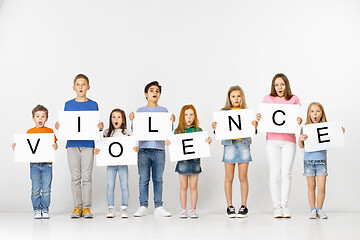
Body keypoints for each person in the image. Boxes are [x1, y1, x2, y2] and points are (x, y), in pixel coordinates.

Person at [55, 74, 104, 218]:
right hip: (72, 144)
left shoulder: (93, 104)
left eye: (83, 84)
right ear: (73, 87)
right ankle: (77, 207)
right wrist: (60, 126)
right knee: (75, 176)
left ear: (88, 87)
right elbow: (67, 124)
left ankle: (87, 208)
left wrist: (100, 127)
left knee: (87, 176)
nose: (81, 86)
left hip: (88, 144)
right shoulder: (68, 104)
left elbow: (95, 125)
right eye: (78, 84)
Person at [256, 73, 302, 218]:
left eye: (282, 84)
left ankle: (285, 206)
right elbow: (263, 120)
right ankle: (276, 207)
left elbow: (296, 120)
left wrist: (299, 120)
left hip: (289, 141)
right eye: (276, 85)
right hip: (272, 141)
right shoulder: (267, 99)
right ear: (273, 86)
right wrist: (259, 119)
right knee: (275, 174)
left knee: (286, 174)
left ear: (286, 85)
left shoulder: (294, 99)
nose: (279, 87)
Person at [129, 81, 175, 217]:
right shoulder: (140, 111)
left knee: (158, 179)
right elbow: (135, 130)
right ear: (146, 94)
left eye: (157, 91)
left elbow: (168, 131)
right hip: (143, 149)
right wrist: (132, 120)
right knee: (143, 179)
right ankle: (143, 205)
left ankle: (158, 206)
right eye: (151, 90)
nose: (154, 93)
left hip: (159, 149)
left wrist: (172, 122)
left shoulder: (164, 111)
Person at [212, 85, 258, 218]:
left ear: (242, 97)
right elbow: (219, 131)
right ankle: (229, 206)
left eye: (238, 96)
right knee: (229, 177)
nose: (236, 99)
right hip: (230, 145)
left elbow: (252, 131)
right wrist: (215, 128)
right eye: (233, 96)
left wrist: (255, 126)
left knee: (243, 176)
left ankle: (244, 205)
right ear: (229, 98)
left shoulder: (246, 112)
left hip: (243, 144)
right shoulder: (223, 113)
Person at [298, 102, 345, 219]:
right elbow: (301, 145)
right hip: (308, 161)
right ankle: (312, 209)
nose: (315, 113)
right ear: (309, 114)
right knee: (311, 187)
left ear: (322, 113)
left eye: (318, 111)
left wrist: (339, 132)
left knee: (322, 187)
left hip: (321, 161)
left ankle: (319, 209)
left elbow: (334, 137)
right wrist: (301, 138)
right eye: (312, 111)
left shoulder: (325, 127)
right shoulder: (305, 128)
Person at [12, 104, 58, 219]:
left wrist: (55, 146)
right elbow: (26, 147)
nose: (40, 119)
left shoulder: (50, 131)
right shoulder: (30, 132)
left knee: (46, 189)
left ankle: (45, 209)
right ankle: (37, 209)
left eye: (43, 116)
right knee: (35, 189)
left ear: (46, 118)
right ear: (33, 118)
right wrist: (17, 146)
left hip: (47, 165)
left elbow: (54, 145)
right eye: (37, 116)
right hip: (34, 165)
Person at [166, 105, 211, 218]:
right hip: (183, 162)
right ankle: (183, 210)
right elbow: (174, 144)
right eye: (186, 115)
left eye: (191, 114)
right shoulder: (178, 131)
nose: (189, 117)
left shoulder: (198, 130)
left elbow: (203, 143)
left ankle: (193, 210)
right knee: (183, 186)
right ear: (182, 117)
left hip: (195, 162)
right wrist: (169, 143)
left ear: (194, 116)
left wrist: (208, 140)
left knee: (193, 186)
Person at [94, 108, 139, 218]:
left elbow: (132, 145)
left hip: (123, 164)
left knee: (124, 185)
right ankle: (111, 208)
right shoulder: (106, 132)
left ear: (123, 120)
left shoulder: (127, 133)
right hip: (111, 164)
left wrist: (135, 149)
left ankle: (124, 208)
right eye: (113, 117)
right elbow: (100, 144)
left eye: (119, 117)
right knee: (110, 185)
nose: (116, 119)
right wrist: (97, 150)